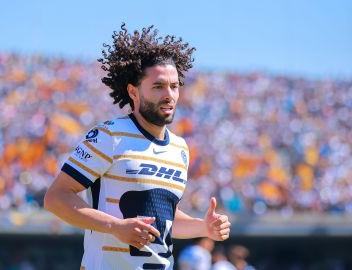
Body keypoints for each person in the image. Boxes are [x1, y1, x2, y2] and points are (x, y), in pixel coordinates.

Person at [44, 24, 231, 269]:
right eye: (158, 86)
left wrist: (203, 227)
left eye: (174, 86)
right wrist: (114, 226)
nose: (169, 95)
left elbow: (165, 218)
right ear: (133, 91)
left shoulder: (180, 149)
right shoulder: (108, 136)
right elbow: (56, 198)